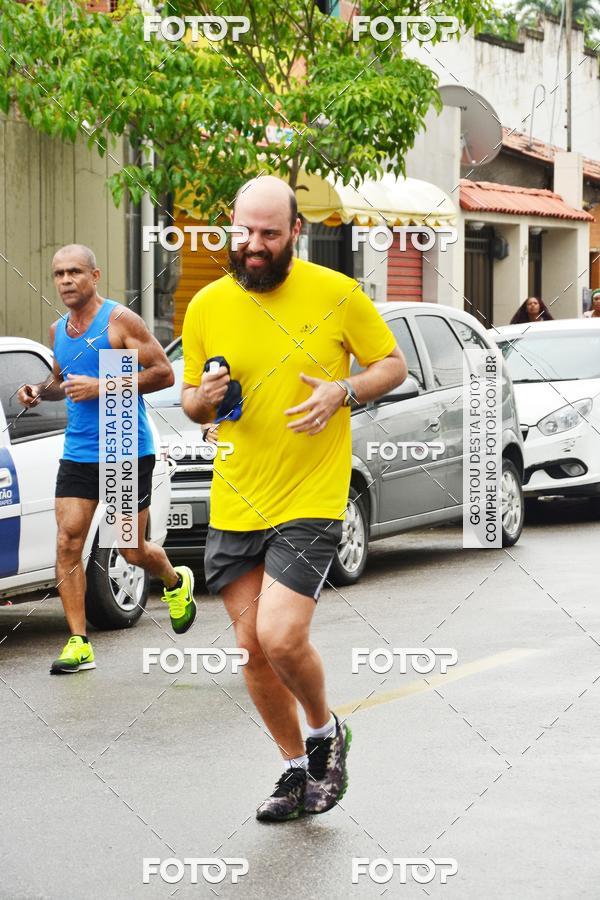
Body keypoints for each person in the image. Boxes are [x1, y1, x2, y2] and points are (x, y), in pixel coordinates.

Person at [181, 176, 407, 822]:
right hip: (235, 498)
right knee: (251, 649)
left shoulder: (337, 295)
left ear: (295, 233)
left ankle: (324, 734)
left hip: (310, 494)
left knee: (281, 636)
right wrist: (207, 396)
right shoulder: (206, 306)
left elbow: (392, 364)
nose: (253, 246)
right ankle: (292, 771)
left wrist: (344, 391)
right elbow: (191, 401)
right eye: (244, 232)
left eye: (268, 234)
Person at [18, 244, 197, 675]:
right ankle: (78, 641)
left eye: (74, 272)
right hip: (79, 450)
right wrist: (40, 392)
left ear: (94, 276)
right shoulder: (57, 328)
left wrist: (103, 387)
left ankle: (175, 582)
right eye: (59, 273)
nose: (65, 281)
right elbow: (63, 379)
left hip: (124, 446)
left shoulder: (119, 321)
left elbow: (163, 373)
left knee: (130, 549)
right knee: (68, 541)